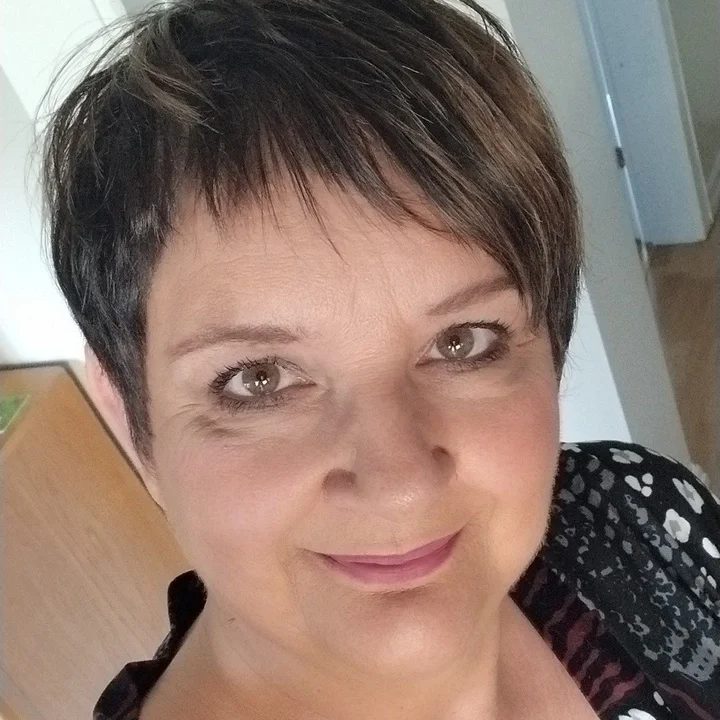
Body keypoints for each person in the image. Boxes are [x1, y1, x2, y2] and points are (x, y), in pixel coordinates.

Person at [41, 1, 720, 718]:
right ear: (131, 419)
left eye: (462, 341)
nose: (400, 482)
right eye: (259, 379)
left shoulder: (638, 520)